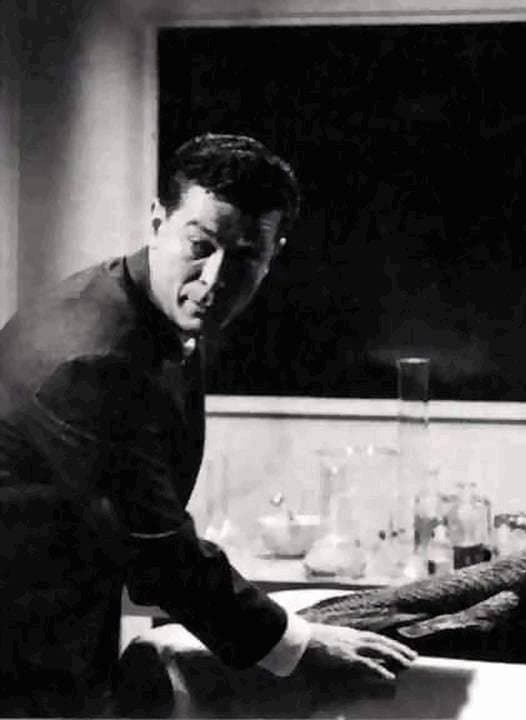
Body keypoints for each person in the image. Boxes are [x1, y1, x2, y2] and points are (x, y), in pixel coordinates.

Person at [0, 133, 417, 716]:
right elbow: (158, 553)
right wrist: (296, 644)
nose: (215, 277)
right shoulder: (91, 357)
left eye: (244, 257)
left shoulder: (152, 312)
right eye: (200, 245)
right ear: (157, 222)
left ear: (272, 257)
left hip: (57, 637)